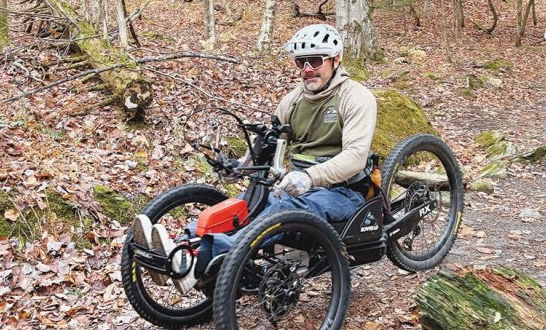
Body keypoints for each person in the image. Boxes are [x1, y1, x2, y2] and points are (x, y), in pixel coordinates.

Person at [135, 23, 378, 290]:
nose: (307, 69)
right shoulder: (292, 102)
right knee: (246, 205)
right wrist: (241, 166)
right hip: (299, 187)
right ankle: (180, 244)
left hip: (345, 192)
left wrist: (310, 177)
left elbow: (355, 157)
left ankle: (209, 254)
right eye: (301, 62)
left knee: (284, 210)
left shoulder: (355, 97)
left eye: (315, 60)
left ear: (335, 59)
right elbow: (270, 141)